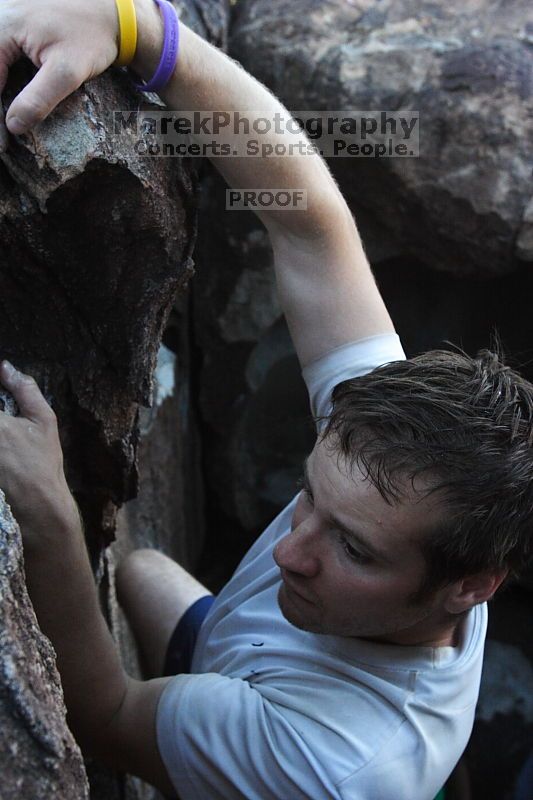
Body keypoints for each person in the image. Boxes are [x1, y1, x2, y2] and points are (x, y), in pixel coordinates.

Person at [0, 1, 530, 798]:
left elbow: (107, 713)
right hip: (238, 662)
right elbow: (309, 223)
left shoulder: (331, 765)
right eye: (306, 496)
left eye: (352, 548)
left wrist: (48, 519)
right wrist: (135, 29)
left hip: (279, 736)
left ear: (471, 587)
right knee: (142, 569)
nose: (288, 549)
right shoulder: (397, 459)